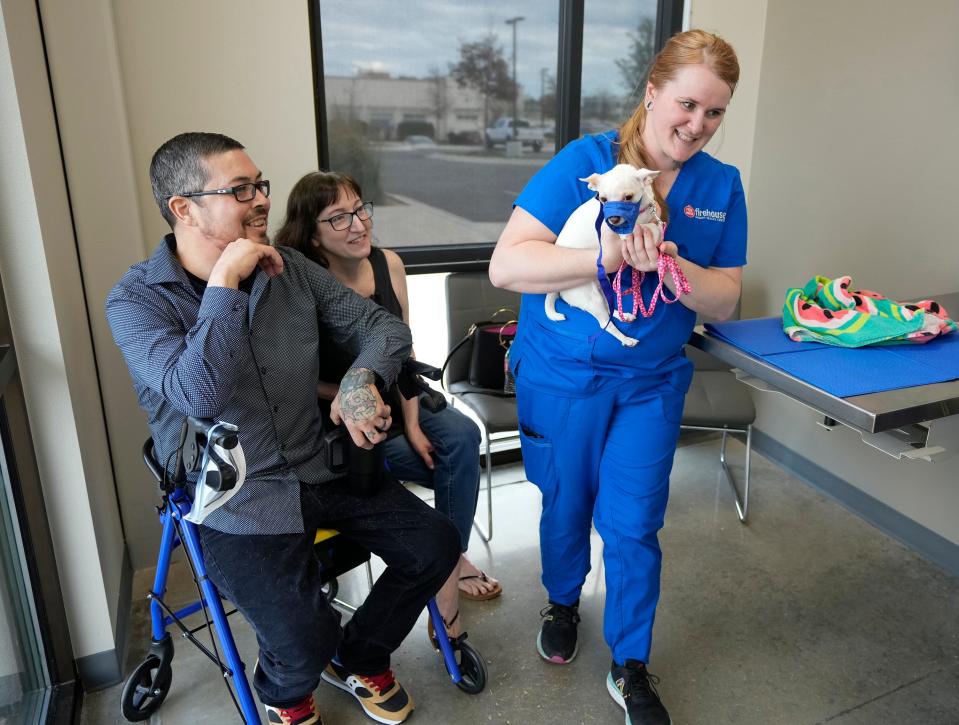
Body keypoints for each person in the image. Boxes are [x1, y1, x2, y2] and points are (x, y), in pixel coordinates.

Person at [106, 132, 460, 725]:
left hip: (318, 461)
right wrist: (224, 286)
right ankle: (286, 691)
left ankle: (360, 655)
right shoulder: (138, 299)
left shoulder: (290, 269)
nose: (261, 199)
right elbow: (199, 394)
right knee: (302, 637)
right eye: (240, 189)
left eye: (260, 184)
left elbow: (385, 329)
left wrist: (360, 380)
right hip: (232, 493)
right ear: (183, 208)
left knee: (435, 544)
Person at [488, 30, 746, 725]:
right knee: (564, 501)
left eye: (715, 112)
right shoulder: (586, 163)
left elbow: (725, 298)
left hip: (649, 382)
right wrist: (603, 259)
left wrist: (668, 263)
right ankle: (563, 598)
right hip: (562, 372)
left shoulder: (720, 188)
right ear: (652, 92)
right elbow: (507, 266)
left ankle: (629, 661)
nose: (697, 125)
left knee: (633, 524)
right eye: (687, 104)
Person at [275, 171, 502, 641]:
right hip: (339, 417)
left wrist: (415, 423)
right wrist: (350, 395)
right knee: (418, 465)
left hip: (400, 397)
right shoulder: (298, 280)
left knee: (458, 437)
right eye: (338, 218)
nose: (358, 225)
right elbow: (293, 375)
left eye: (360, 210)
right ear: (310, 231)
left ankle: (447, 557)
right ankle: (441, 560)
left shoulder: (388, 263)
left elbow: (402, 349)